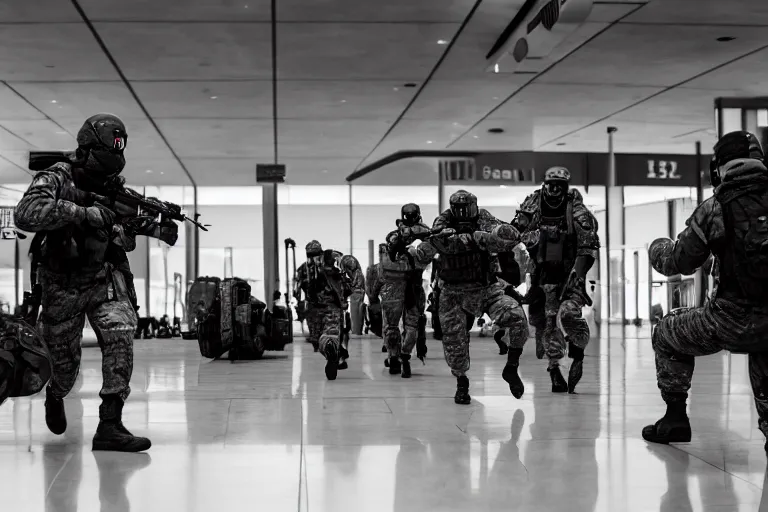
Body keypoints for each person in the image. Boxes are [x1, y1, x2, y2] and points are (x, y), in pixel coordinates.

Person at [14, 113, 179, 452]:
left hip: (105, 279)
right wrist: (81, 213)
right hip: (63, 284)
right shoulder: (57, 175)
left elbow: (128, 217)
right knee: (64, 365)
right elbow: (26, 213)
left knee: (120, 335)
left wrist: (160, 227)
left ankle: (110, 424)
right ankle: (55, 395)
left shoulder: (112, 186)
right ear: (88, 147)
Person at [642, 131, 768, 447]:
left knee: (667, 331)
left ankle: (675, 420)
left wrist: (657, 246)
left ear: (718, 168)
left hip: (727, 321)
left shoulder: (714, 208)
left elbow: (676, 263)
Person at [409, 190, 528, 404]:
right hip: (452, 294)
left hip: (485, 289)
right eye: (459, 209)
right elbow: (421, 256)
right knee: (455, 344)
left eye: (468, 208)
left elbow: (506, 237)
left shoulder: (483, 218)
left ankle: (512, 366)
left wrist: (493, 234)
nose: (464, 213)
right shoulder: (441, 227)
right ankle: (461, 384)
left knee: (517, 317)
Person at [511, 167, 600, 394]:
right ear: (545, 184)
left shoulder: (576, 209)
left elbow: (589, 246)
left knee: (570, 314)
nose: (554, 189)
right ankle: (554, 370)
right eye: (551, 183)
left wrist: (577, 273)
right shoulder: (533, 204)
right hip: (544, 276)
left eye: (560, 184)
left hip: (570, 275)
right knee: (549, 322)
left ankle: (578, 353)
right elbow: (516, 230)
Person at [380, 204, 431, 377]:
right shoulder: (424, 234)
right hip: (412, 286)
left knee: (393, 326)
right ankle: (404, 356)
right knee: (411, 326)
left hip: (395, 287)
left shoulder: (397, 234)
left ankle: (395, 358)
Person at [296, 241, 352, 380]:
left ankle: (333, 353)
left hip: (314, 309)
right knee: (330, 335)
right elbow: (346, 286)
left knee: (318, 339)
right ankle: (335, 353)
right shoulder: (331, 268)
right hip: (332, 308)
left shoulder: (303, 269)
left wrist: (301, 306)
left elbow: (297, 291)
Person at [340, 255, 366, 335]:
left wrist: (349, 283)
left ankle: (356, 331)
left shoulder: (357, 272)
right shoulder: (358, 272)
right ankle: (357, 330)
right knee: (357, 313)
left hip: (357, 293)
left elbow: (354, 283)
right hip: (359, 292)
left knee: (355, 313)